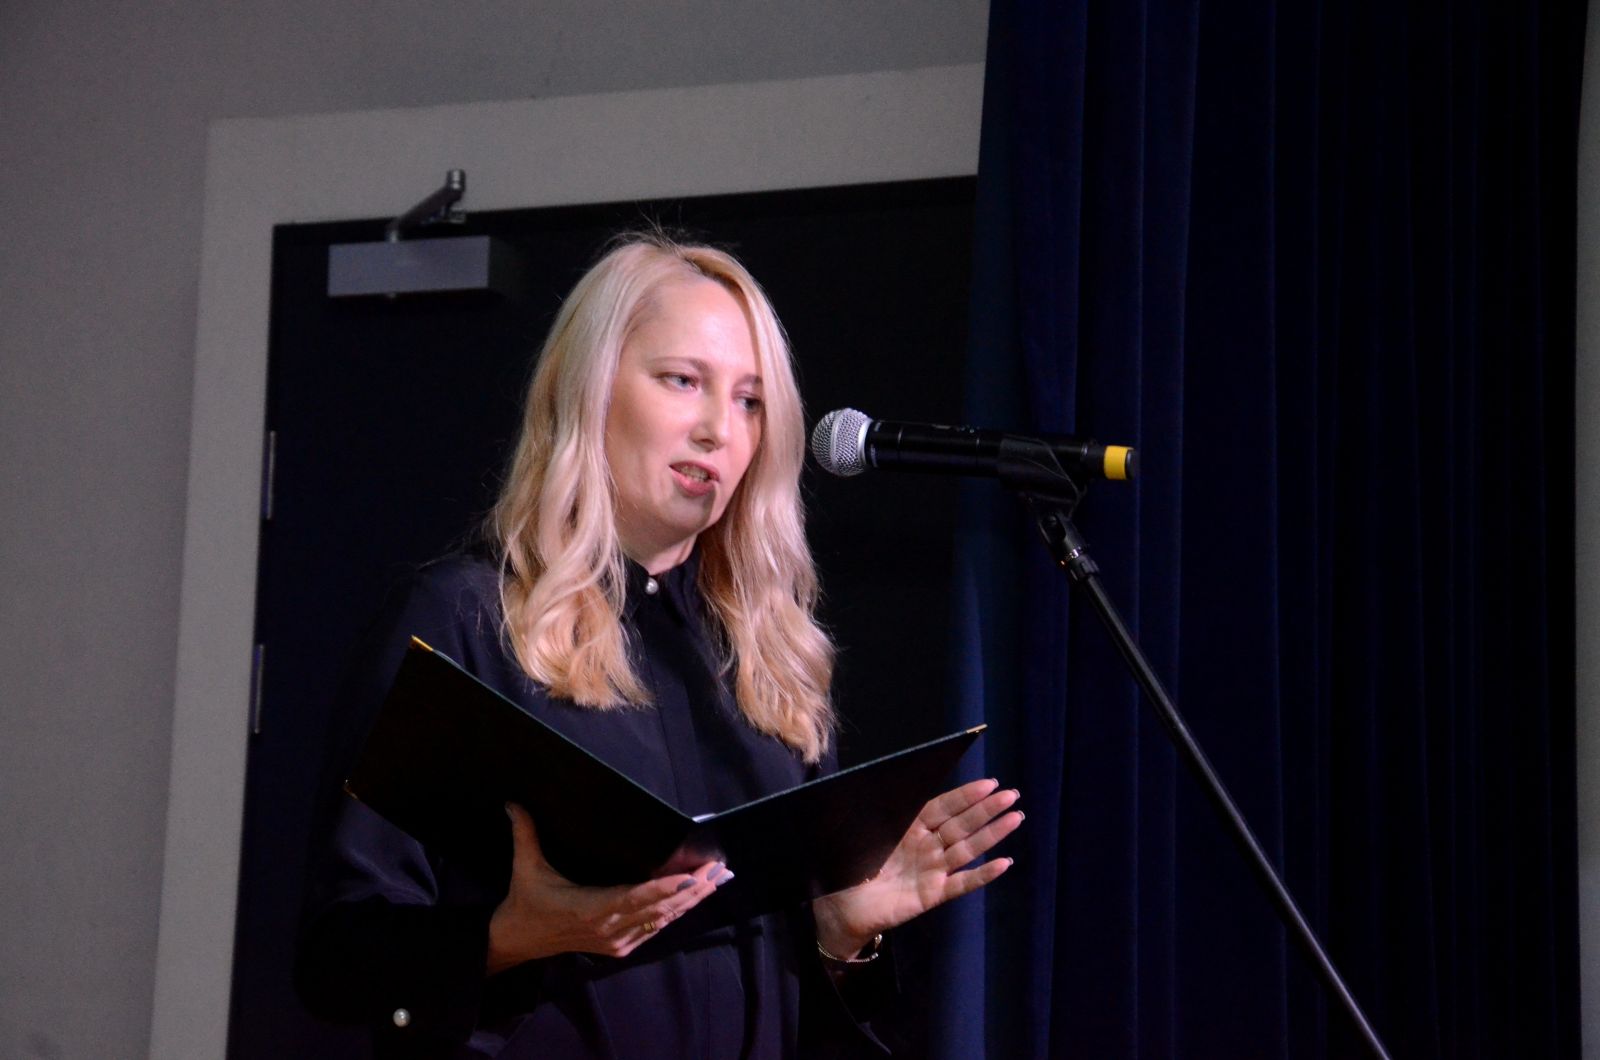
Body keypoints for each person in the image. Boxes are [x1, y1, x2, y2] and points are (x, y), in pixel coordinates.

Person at [297, 233, 1022, 1058]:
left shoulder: (767, 660)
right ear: (590, 388)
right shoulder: (466, 619)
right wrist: (514, 935)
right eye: (683, 381)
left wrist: (836, 932)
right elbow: (336, 961)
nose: (719, 429)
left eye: (750, 401)